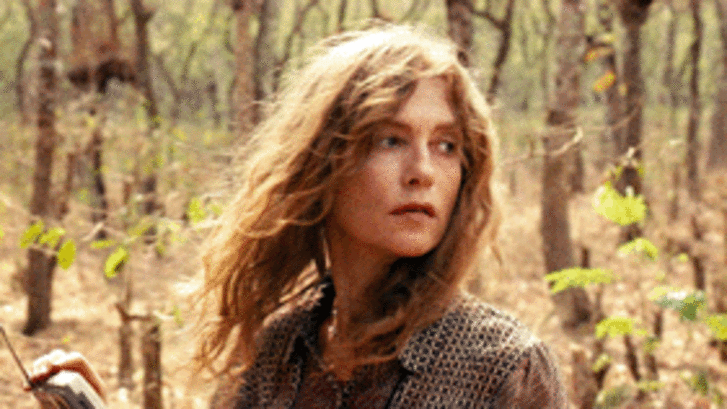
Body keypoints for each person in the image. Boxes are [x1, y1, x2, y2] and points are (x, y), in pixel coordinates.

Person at [29, 24, 566, 408]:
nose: (423, 171)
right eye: (390, 139)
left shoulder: (503, 367)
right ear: (322, 162)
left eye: (446, 145)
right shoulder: (276, 353)